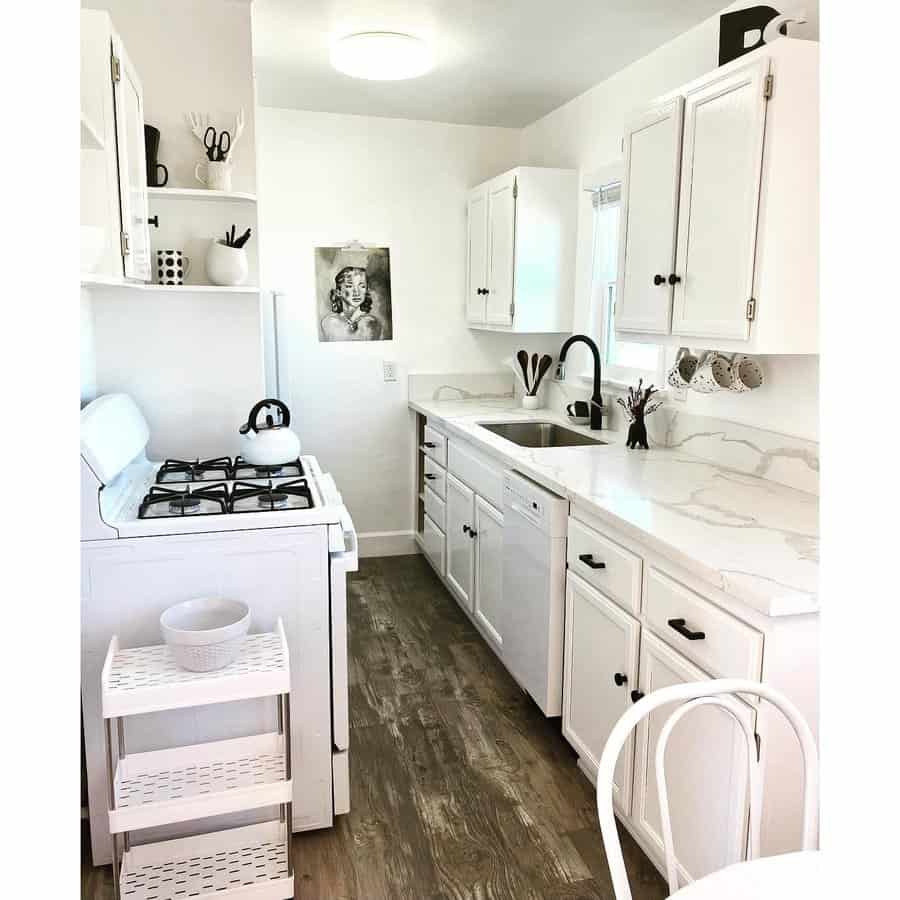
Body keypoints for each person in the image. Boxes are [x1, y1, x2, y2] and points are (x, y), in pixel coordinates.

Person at [320, 266, 382, 341]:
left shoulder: (372, 323)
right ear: (338, 292)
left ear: (366, 291)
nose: (356, 292)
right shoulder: (328, 323)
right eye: (349, 286)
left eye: (362, 286)